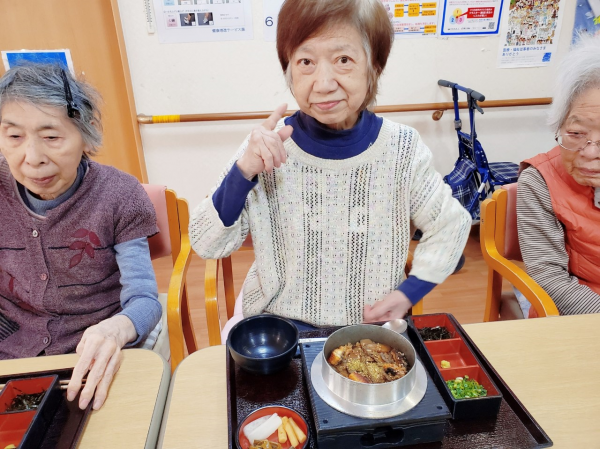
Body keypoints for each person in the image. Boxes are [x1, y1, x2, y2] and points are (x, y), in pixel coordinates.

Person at [189, 0, 470, 336]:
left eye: (343, 60)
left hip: (368, 332)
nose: (323, 83)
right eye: (306, 62)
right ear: (289, 69)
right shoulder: (267, 147)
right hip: (279, 331)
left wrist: (409, 292)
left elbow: (450, 225)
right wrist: (244, 171)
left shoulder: (402, 148)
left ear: (374, 67)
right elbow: (206, 242)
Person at [0, 64, 162, 410]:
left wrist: (115, 329)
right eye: (13, 137)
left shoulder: (120, 195)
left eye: (51, 137)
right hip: (13, 353)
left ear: (86, 135)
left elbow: (145, 300)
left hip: (95, 349)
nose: (32, 159)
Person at [517, 33, 600, 316]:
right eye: (576, 134)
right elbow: (549, 276)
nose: (589, 152)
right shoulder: (539, 181)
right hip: (580, 313)